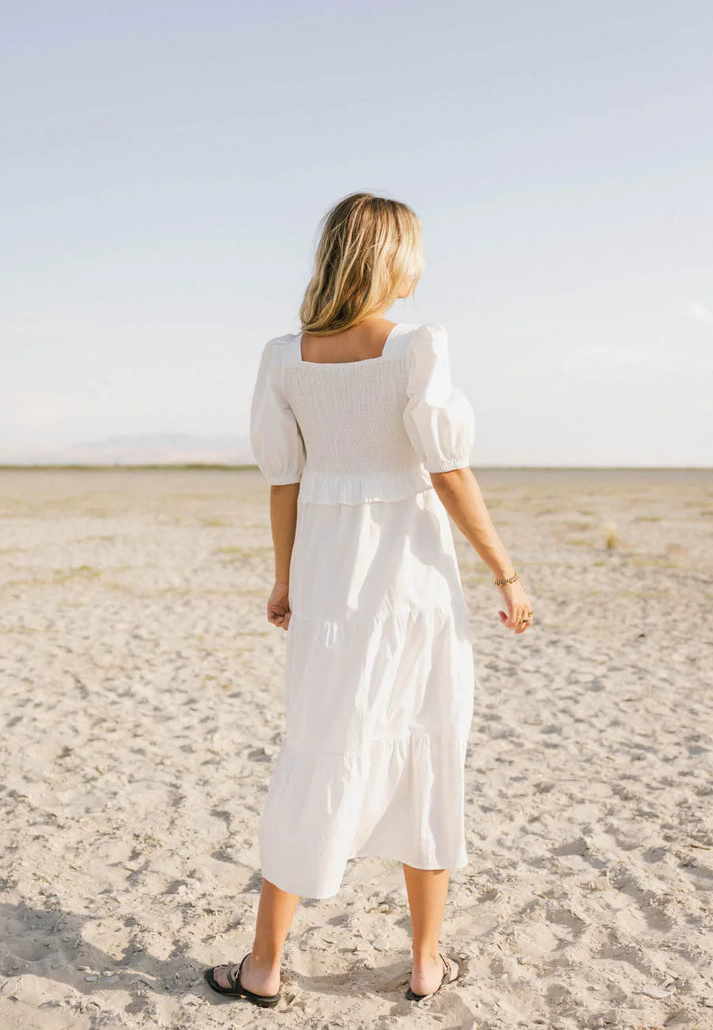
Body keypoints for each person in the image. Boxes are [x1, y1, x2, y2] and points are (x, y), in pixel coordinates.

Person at [203, 191, 532, 1007]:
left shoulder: (284, 357)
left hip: (328, 583)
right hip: (415, 583)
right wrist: (505, 572)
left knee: (316, 748)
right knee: (428, 746)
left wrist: (284, 576)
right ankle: (425, 964)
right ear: (393, 256)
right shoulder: (419, 347)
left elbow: (284, 480)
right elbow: (449, 473)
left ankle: (264, 967)